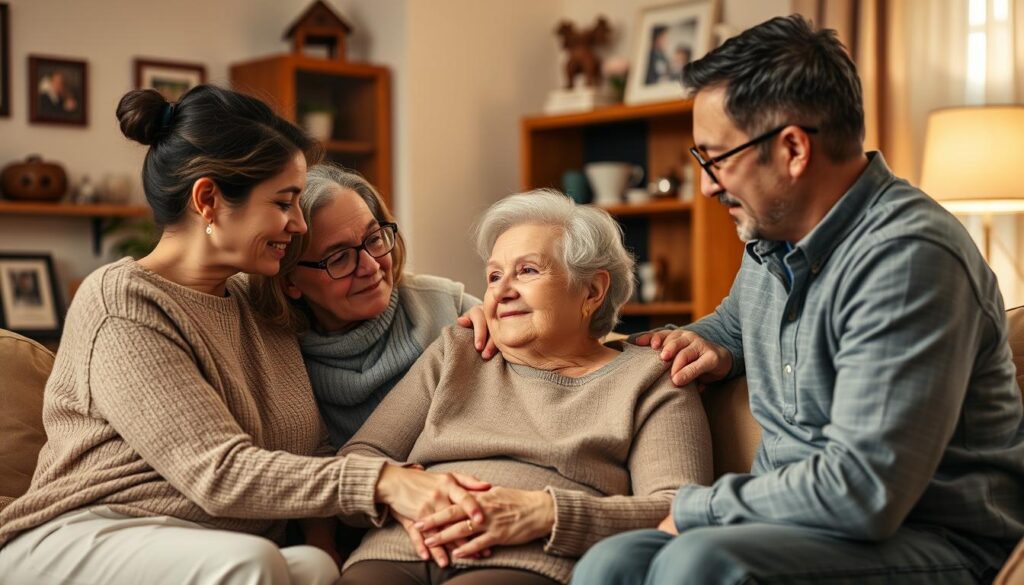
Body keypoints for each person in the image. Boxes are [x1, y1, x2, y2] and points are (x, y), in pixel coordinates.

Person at [572, 15, 1024, 585]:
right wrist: (708, 342)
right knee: (611, 562)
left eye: (717, 158)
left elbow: (863, 490)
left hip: (931, 537)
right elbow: (736, 325)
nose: (708, 184)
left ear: (791, 149)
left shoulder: (909, 260)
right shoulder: (770, 242)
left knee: (701, 562)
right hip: (794, 528)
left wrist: (698, 509)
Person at [0, 85, 490, 585]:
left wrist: (489, 314)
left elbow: (310, 451)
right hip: (84, 532)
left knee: (314, 567)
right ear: (208, 199)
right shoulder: (122, 302)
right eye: (284, 202)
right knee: (250, 564)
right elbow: (217, 472)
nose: (297, 225)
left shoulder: (256, 303)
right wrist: (383, 481)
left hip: (206, 543)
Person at [335, 190, 713, 585]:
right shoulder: (458, 351)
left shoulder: (651, 377)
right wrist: (406, 491)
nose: (501, 292)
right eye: (494, 276)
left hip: (526, 561)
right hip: (399, 547)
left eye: (527, 271)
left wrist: (547, 513)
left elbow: (680, 509)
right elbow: (359, 457)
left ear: (592, 291)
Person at [249, 163, 481, 449]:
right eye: (340, 258)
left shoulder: (448, 307)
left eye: (374, 239)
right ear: (289, 282)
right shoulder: (283, 365)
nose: (370, 266)